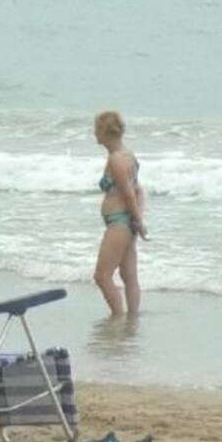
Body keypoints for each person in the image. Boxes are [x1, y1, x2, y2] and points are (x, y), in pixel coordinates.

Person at [92, 110, 147, 318]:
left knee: (102, 276)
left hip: (119, 223)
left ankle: (118, 318)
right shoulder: (129, 156)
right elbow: (139, 190)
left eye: (96, 129)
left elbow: (129, 194)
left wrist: (139, 221)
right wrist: (138, 218)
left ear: (105, 132)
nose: (94, 134)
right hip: (126, 222)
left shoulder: (116, 160)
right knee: (128, 275)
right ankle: (132, 320)